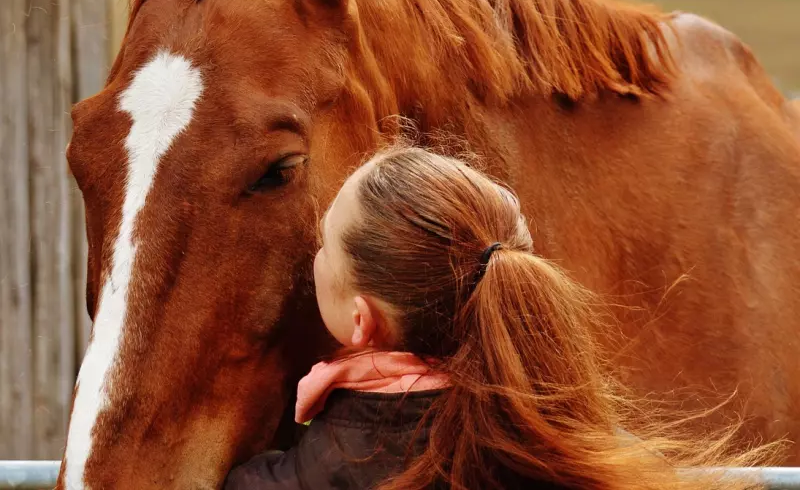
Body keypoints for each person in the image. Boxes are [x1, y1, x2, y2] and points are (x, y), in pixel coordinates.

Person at [225, 146, 776, 490]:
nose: (316, 255)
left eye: (325, 244)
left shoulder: (318, 468)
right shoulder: (588, 451)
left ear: (361, 322)